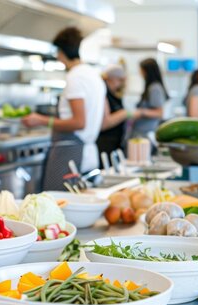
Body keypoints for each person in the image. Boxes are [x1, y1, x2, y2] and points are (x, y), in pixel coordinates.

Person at [21, 27, 105, 190]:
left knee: (59, 205)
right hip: (87, 152)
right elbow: (103, 119)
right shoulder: (93, 75)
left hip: (71, 155)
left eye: (58, 53)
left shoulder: (75, 77)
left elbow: (79, 122)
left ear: (61, 51)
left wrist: (41, 120)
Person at [126, 58, 168, 140]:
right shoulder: (150, 87)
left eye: (141, 70)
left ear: (146, 71)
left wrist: (140, 112)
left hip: (145, 134)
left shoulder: (154, 88)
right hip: (141, 132)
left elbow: (159, 113)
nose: (140, 72)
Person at [97, 64, 128, 163]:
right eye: (120, 81)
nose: (121, 84)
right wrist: (124, 114)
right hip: (105, 144)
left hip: (115, 143)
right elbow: (104, 123)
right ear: (112, 78)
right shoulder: (103, 92)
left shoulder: (114, 93)